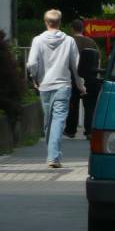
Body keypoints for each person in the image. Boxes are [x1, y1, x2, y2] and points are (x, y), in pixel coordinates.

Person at [26, 9, 85, 168]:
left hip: (44, 86)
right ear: (59, 22)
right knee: (57, 121)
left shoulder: (38, 40)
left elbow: (31, 63)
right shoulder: (69, 41)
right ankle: (53, 156)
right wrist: (81, 85)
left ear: (46, 22)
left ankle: (53, 155)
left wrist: (35, 77)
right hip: (63, 85)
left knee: (49, 121)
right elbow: (76, 66)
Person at [65, 19, 101, 139]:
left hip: (72, 78)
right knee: (89, 105)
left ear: (72, 29)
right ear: (83, 29)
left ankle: (71, 130)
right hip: (90, 77)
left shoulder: (68, 41)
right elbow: (98, 59)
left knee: (72, 104)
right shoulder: (91, 42)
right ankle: (89, 131)